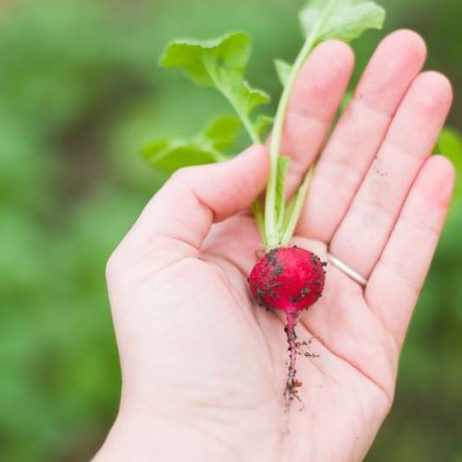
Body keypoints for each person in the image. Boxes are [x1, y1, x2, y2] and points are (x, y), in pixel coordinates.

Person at [94, 30, 454, 461]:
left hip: (286, 271)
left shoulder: (287, 277)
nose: (291, 319)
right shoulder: (283, 278)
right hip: (284, 272)